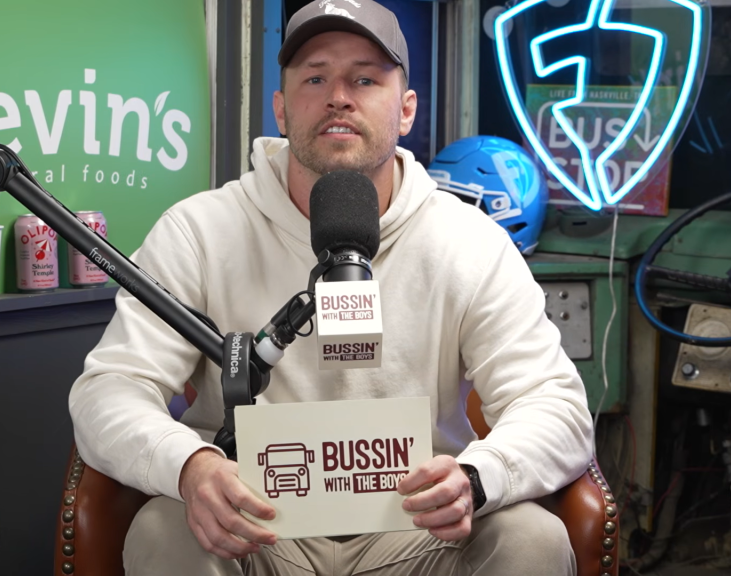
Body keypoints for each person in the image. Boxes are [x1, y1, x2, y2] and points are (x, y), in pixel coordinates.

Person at [68, 1, 595, 574]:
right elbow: (110, 390)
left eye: (365, 78)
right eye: (315, 77)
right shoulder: (199, 231)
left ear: (406, 109)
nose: (338, 96)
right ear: (282, 109)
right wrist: (189, 465)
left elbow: (555, 407)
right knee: (162, 531)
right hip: (256, 528)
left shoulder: (470, 241)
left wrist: (478, 476)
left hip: (418, 530)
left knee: (531, 537)